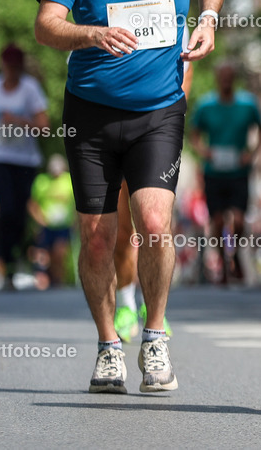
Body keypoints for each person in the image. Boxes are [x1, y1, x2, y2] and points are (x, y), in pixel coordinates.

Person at [35, 0, 225, 395]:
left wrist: (209, 17)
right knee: (96, 236)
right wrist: (91, 33)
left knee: (156, 223)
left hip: (158, 109)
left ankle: (156, 334)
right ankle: (107, 346)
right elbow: (46, 26)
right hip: (91, 112)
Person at [113, 59, 193, 342]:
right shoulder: (105, 15)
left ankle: (153, 309)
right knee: (124, 231)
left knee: (155, 226)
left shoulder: (176, 19)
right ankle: (124, 304)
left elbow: (187, 70)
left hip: (158, 126)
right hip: (115, 123)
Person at [0, 43, 49, 290]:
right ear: (2, 65)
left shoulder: (31, 89)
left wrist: (18, 120)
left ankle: (16, 256)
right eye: (9, 67)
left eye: (17, 67)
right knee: (5, 209)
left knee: (18, 213)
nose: (12, 72)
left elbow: (44, 126)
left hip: (25, 160)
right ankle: (4, 261)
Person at [190, 62, 261, 285]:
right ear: (217, 78)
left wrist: (250, 154)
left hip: (239, 171)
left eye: (229, 76)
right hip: (213, 171)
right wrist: (204, 151)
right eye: (221, 76)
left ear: (234, 78)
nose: (225, 81)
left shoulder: (248, 104)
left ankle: (236, 256)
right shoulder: (205, 105)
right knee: (218, 220)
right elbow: (194, 135)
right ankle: (223, 262)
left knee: (239, 220)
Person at [27, 154, 76, 288]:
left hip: (63, 225)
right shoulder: (41, 181)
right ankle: (46, 280)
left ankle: (58, 281)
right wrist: (39, 219)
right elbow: (32, 203)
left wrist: (75, 219)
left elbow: (77, 202)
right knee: (43, 255)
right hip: (46, 225)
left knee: (59, 253)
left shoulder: (69, 180)